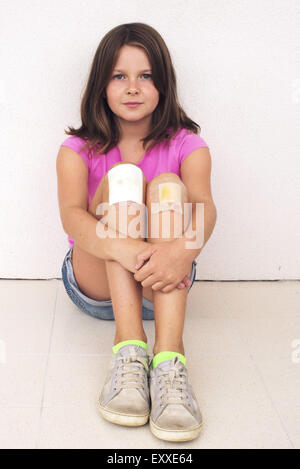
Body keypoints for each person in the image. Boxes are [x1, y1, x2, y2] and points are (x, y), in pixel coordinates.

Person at [56, 22, 217, 442]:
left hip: (161, 280)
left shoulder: (187, 143)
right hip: (96, 283)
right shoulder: (78, 149)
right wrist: (127, 249)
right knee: (124, 177)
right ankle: (128, 349)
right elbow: (73, 217)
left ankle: (168, 358)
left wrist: (181, 253)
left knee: (170, 186)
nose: (132, 87)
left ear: (163, 84)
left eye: (145, 76)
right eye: (119, 76)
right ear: (100, 85)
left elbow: (204, 208)